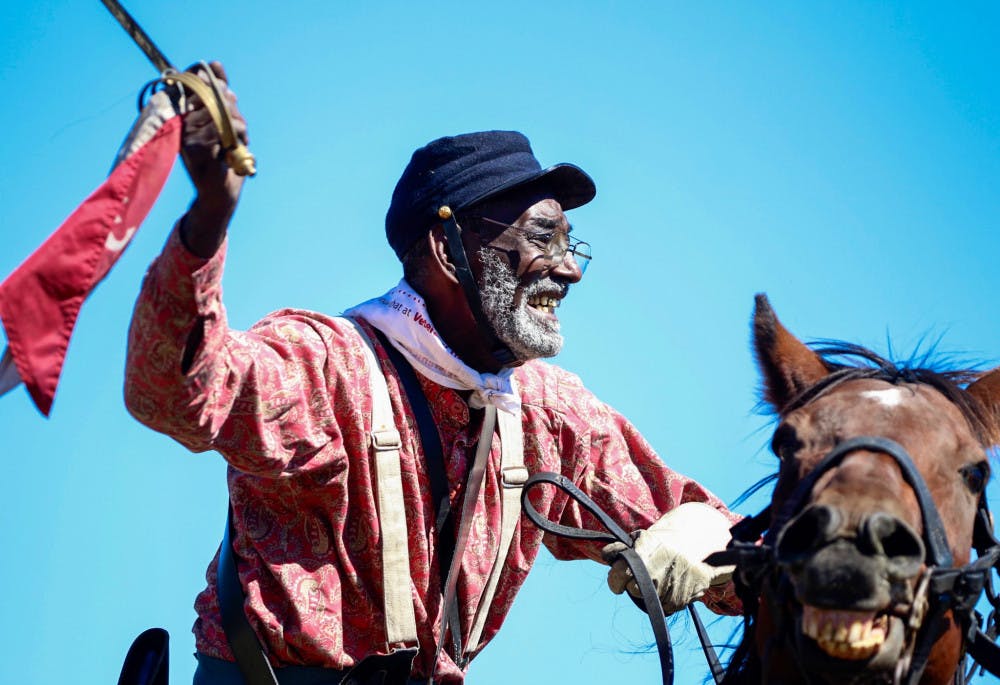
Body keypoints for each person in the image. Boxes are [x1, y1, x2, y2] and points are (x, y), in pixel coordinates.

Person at [124, 63, 740, 685]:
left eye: (569, 245)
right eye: (542, 238)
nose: (568, 270)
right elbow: (175, 393)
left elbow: (733, 545)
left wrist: (717, 545)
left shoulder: (548, 416)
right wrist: (208, 217)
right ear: (448, 250)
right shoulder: (325, 369)